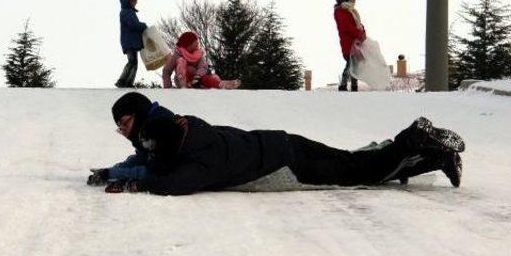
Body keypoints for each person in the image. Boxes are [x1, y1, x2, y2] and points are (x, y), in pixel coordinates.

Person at [91, 94, 465, 195]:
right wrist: (117, 171)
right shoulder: (180, 126)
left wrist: (136, 182)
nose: (123, 131)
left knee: (361, 171)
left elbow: (175, 181)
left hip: (284, 164)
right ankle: (434, 154)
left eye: (124, 124)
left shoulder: (183, 147)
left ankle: (414, 137)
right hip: (281, 144)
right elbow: (154, 160)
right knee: (356, 163)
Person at [86, 92, 175, 187]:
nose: (124, 131)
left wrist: (113, 174)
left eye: (125, 123)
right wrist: (113, 170)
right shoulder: (143, 129)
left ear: (138, 115)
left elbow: (155, 171)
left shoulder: (161, 126)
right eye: (120, 128)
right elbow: (143, 157)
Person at [162, 31, 241, 89]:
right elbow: (166, 71)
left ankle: (222, 84)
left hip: (197, 80)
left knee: (210, 77)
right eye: (195, 41)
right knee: (181, 61)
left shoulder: (198, 54)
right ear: (189, 43)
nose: (197, 43)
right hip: (183, 80)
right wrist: (168, 87)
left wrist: (197, 77)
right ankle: (184, 86)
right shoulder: (177, 54)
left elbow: (203, 67)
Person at [334, 0, 366, 92]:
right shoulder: (341, 12)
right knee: (350, 64)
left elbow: (359, 25)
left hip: (355, 42)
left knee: (354, 65)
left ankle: (354, 86)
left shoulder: (352, 11)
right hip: (348, 43)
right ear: (346, 0)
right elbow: (347, 27)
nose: (354, 1)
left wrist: (362, 32)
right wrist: (359, 33)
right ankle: (343, 85)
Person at [115, 0, 147, 88]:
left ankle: (128, 81)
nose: (135, 2)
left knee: (133, 62)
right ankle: (123, 80)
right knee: (132, 61)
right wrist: (143, 26)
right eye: (133, 0)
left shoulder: (128, 12)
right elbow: (133, 25)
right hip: (130, 42)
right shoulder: (127, 12)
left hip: (130, 42)